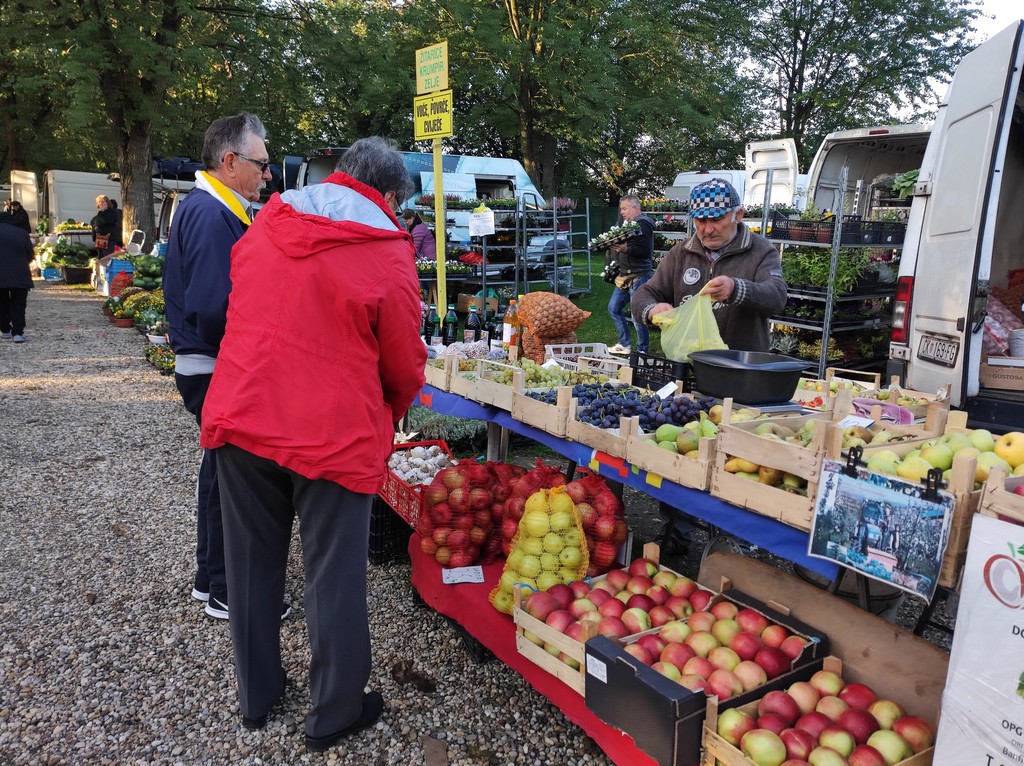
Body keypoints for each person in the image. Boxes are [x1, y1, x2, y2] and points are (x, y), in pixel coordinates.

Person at [200, 137, 426, 748]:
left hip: (244, 413)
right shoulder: (386, 250)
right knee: (333, 575)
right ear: (389, 195)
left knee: (250, 566)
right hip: (331, 431)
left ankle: (258, 696)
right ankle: (333, 712)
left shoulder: (270, 219)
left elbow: (242, 297)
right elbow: (405, 363)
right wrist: (391, 410)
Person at [163, 112, 276, 621]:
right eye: (261, 164)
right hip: (215, 366)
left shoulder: (210, 206)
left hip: (205, 364)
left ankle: (210, 578)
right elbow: (213, 308)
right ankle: (232, 590)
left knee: (218, 469)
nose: (268, 175)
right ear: (230, 162)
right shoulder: (212, 215)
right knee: (235, 479)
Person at [633, 178, 787, 351]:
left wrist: (736, 289)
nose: (708, 229)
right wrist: (652, 309)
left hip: (741, 366)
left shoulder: (760, 250)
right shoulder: (680, 253)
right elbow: (645, 293)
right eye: (701, 220)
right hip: (688, 364)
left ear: (738, 215)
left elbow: (777, 296)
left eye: (716, 219)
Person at [606, 194, 654, 355]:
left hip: (639, 275)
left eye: (624, 208)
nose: (622, 212)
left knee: (637, 315)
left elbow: (646, 252)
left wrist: (626, 249)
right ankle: (624, 344)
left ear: (635, 207)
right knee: (613, 308)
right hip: (625, 275)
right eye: (621, 209)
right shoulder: (628, 224)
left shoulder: (643, 224)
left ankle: (642, 350)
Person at [0, 210, 35, 343]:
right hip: (20, 273)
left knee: (1, 303)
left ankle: (5, 330)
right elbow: (30, 255)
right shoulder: (21, 233)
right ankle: (18, 333)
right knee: (18, 304)